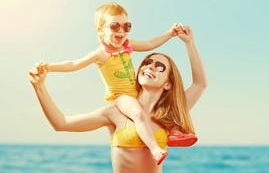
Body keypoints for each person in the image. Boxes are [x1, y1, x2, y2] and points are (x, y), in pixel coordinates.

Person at [29, 25, 207, 173]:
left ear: (168, 83)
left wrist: (189, 43)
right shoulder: (116, 111)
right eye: (147, 62)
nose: (150, 66)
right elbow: (62, 123)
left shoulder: (169, 114)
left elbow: (200, 84)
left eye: (159, 66)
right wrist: (39, 87)